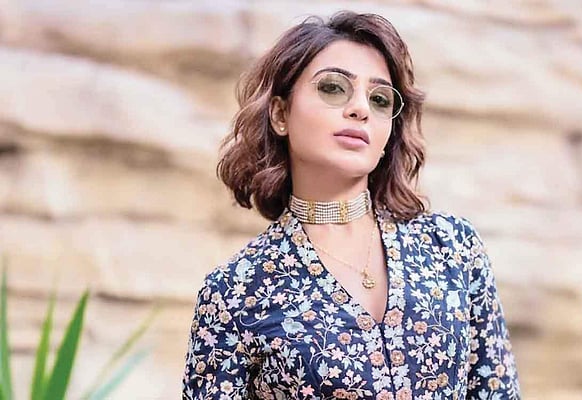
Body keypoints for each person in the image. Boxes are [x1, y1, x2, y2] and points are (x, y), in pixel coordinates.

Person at [182, 10, 520, 400]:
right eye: (333, 88)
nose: (360, 108)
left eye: (379, 99)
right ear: (280, 114)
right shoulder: (237, 291)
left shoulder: (452, 247)